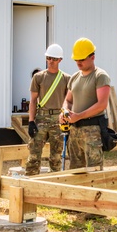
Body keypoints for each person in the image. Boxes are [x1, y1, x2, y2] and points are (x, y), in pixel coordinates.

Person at [62, 37, 111, 169]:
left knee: (94, 170)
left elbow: (102, 105)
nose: (78, 62)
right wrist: (65, 112)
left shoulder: (100, 76)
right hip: (74, 130)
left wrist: (79, 115)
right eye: (76, 59)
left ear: (92, 57)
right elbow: (68, 100)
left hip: (92, 130)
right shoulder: (75, 77)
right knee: (75, 170)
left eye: (82, 59)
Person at [26, 44, 70, 174]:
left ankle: (55, 184)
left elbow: (69, 101)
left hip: (58, 118)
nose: (51, 61)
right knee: (34, 154)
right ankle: (30, 183)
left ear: (60, 60)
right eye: (49, 58)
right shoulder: (38, 77)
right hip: (41, 117)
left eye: (54, 59)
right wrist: (31, 121)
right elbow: (33, 101)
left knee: (56, 157)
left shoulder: (66, 78)